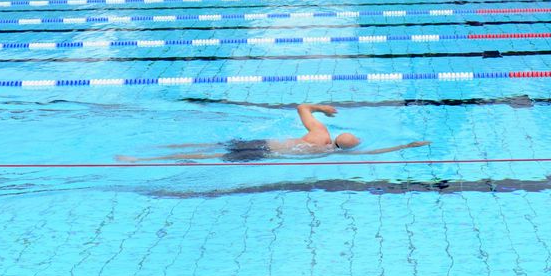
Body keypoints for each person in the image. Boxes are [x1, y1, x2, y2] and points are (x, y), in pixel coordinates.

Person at [115, 104, 431, 162]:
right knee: (212, 154)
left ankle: (152, 151)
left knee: (212, 145)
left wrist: (322, 108)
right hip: (266, 153)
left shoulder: (320, 132)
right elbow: (376, 152)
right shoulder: (327, 151)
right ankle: (139, 160)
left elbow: (301, 107)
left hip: (266, 142)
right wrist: (408, 146)